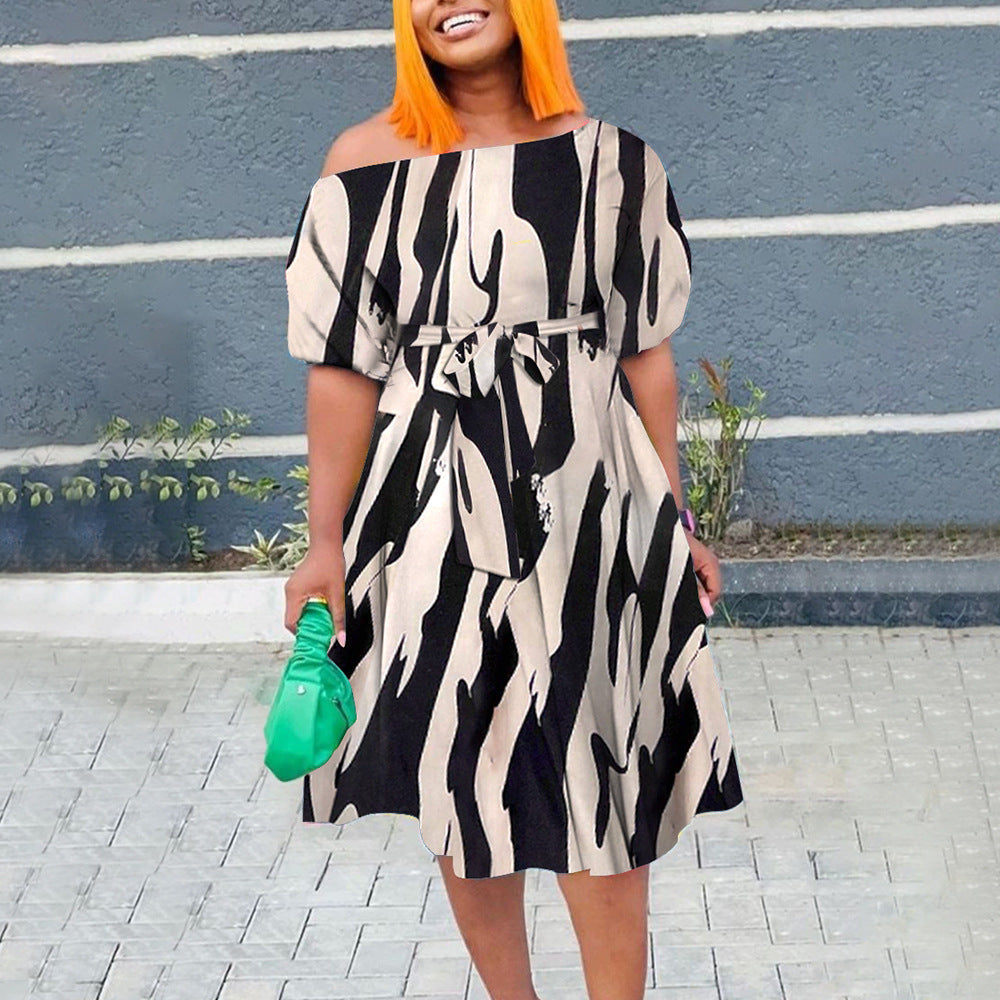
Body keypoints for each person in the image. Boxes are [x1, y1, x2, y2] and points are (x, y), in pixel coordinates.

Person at [282, 1, 744, 997]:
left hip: (591, 509)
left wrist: (674, 515)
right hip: (426, 516)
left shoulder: (614, 160)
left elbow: (647, 359)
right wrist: (325, 544)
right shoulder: (360, 162)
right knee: (463, 771)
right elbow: (339, 374)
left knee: (601, 773)